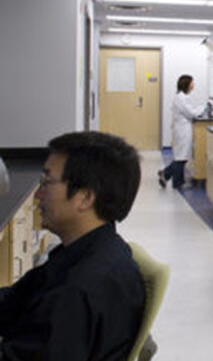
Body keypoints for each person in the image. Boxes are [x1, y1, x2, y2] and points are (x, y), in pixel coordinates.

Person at [0, 131, 145, 359]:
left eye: (46, 182)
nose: (38, 194)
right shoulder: (90, 252)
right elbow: (14, 301)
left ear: (85, 198)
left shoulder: (77, 291)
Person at [159, 75, 205, 189]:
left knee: (181, 157)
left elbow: (190, 111)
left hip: (183, 129)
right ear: (187, 84)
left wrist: (199, 109)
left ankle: (168, 175)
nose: (193, 85)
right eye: (192, 83)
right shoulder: (181, 98)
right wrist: (203, 108)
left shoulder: (183, 97)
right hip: (182, 130)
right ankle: (174, 180)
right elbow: (191, 113)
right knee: (181, 158)